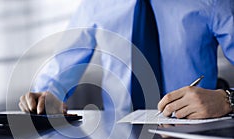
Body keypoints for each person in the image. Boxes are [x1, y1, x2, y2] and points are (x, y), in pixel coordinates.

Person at [19, 0, 234, 119]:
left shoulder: (213, 2)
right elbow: (59, 74)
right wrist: (44, 98)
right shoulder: (94, 5)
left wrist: (227, 100)